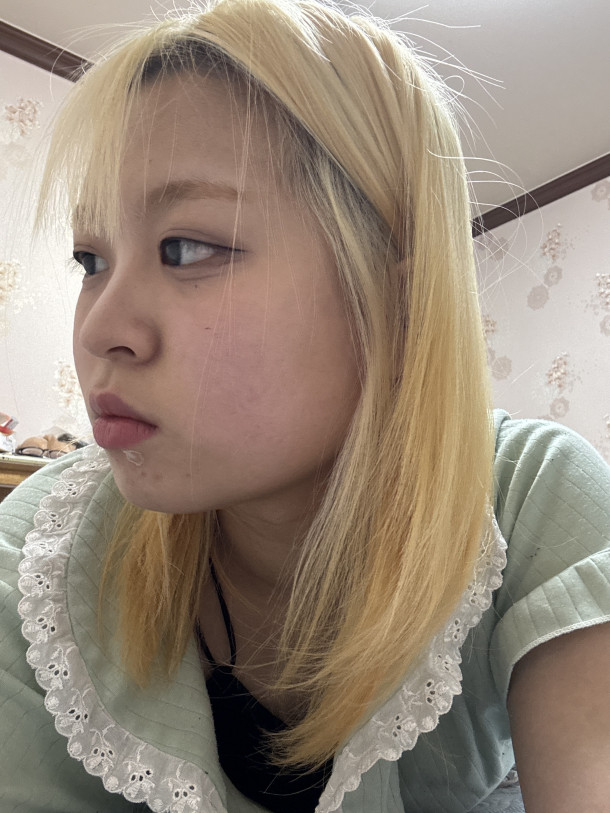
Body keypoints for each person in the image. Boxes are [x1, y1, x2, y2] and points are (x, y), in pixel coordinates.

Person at [1, 0, 609, 810]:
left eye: (186, 247)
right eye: (91, 259)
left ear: (395, 295)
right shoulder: (47, 551)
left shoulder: (529, 499)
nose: (100, 329)